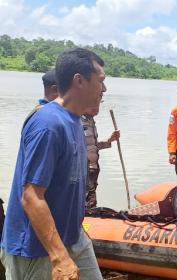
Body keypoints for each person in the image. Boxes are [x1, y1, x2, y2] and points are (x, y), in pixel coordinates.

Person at [1, 48, 105, 279]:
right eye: (100, 81)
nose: (104, 89)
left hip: (73, 238)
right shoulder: (48, 124)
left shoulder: (75, 120)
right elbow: (31, 196)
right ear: (79, 80)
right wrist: (59, 257)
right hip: (35, 249)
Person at [82, 104, 120, 209]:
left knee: (90, 203)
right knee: (88, 203)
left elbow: (93, 147)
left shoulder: (91, 122)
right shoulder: (77, 121)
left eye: (98, 103)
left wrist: (110, 140)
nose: (96, 107)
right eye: (93, 103)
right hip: (84, 172)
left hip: (93, 170)